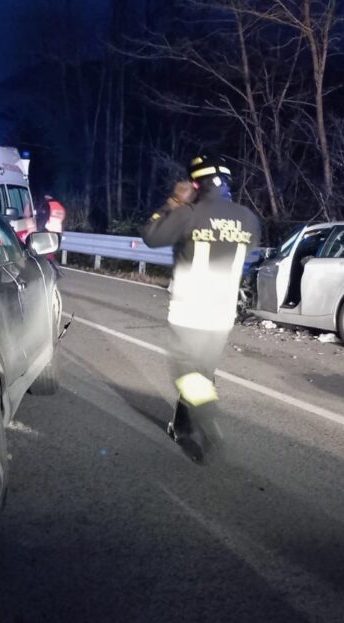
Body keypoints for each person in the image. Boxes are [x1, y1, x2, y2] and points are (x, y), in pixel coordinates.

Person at [141, 154, 261, 464]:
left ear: (196, 184)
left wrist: (172, 203)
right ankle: (181, 426)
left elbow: (150, 236)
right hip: (222, 313)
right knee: (203, 372)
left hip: (190, 309)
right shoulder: (248, 217)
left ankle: (210, 426)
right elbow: (248, 247)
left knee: (186, 373)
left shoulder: (188, 214)